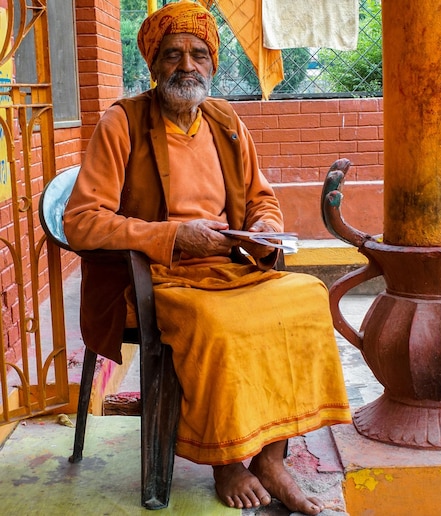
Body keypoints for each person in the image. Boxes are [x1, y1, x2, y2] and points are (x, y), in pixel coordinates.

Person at [63, 1, 352, 514]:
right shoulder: (122, 123)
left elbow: (261, 197)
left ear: (214, 64)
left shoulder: (225, 120)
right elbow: (81, 220)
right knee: (220, 327)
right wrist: (173, 236)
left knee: (306, 297)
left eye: (199, 54)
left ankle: (271, 457)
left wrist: (265, 226)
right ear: (153, 65)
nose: (187, 66)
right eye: (173, 54)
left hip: (228, 267)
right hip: (156, 278)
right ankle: (228, 460)